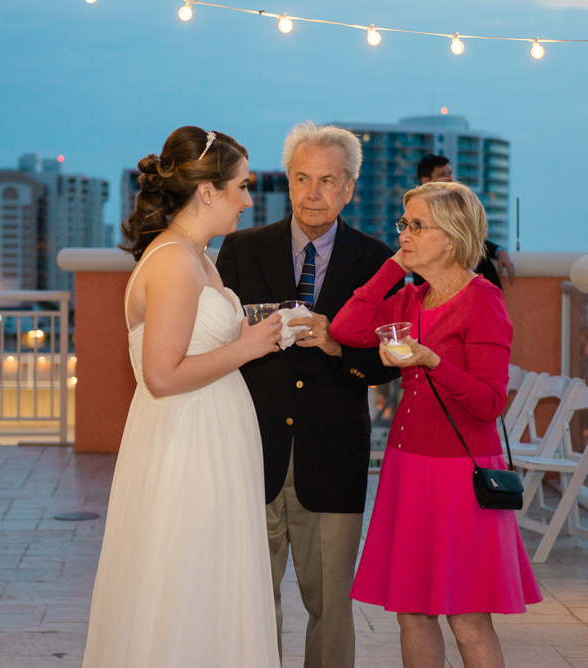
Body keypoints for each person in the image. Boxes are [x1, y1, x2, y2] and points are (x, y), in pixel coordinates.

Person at [82, 126, 282, 668]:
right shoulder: (173, 259)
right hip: (188, 445)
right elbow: (163, 375)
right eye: (241, 186)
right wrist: (252, 348)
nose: (248, 199)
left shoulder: (198, 255)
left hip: (210, 440)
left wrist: (263, 332)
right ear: (208, 191)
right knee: (186, 586)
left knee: (211, 584)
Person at [330, 181, 541, 668]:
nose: (403, 233)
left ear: (451, 237)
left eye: (416, 225)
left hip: (458, 477)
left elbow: (490, 402)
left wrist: (431, 362)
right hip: (409, 469)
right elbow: (346, 328)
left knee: (467, 618)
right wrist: (392, 268)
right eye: (403, 223)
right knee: (411, 614)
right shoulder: (410, 299)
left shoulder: (482, 300)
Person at [217, 121, 400, 668]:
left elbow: (388, 362)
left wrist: (338, 348)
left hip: (334, 456)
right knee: (251, 601)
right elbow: (217, 340)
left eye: (327, 181)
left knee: (331, 608)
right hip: (252, 451)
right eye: (302, 178)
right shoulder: (242, 249)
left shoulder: (376, 262)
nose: (313, 193)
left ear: (349, 189)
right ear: (289, 183)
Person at [416, 154, 516, 288]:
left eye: (450, 173)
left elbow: (473, 240)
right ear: (425, 182)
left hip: (479, 288)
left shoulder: (457, 207)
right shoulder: (418, 215)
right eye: (442, 174)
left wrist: (499, 251)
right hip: (442, 291)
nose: (450, 179)